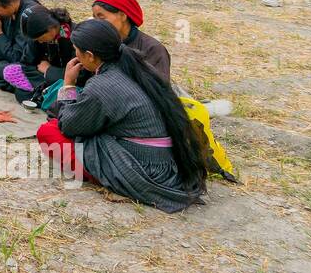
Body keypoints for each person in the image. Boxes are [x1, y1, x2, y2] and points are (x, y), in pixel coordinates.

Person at [36, 19, 208, 212]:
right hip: (168, 162)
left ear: (90, 56)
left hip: (144, 168)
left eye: (76, 50)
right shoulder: (139, 65)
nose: (74, 54)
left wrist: (68, 84)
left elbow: (69, 126)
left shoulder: (102, 85)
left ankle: (109, 179)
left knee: (48, 132)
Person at [92, 0, 172, 84]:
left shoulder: (153, 49)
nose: (96, 23)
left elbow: (160, 90)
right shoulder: (96, 42)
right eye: (95, 18)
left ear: (122, 16)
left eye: (101, 17)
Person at [2, 4, 74, 97]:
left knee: (68, 94)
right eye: (36, 40)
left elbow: (80, 75)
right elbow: (27, 63)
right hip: (44, 77)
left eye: (41, 38)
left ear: (51, 28)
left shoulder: (75, 38)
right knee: (12, 72)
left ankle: (44, 94)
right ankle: (43, 93)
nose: (39, 42)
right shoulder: (38, 39)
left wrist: (49, 70)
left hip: (66, 80)